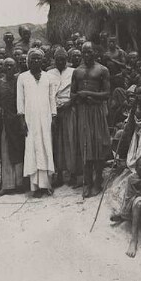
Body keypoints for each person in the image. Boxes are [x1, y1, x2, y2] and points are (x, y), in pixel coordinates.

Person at [71, 42, 111, 198]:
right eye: (84, 52)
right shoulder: (77, 71)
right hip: (83, 112)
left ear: (95, 52)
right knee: (85, 145)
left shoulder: (102, 70)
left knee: (98, 144)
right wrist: (80, 98)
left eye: (89, 52)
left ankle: (98, 181)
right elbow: (72, 94)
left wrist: (88, 93)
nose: (86, 55)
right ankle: (87, 183)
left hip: (97, 111)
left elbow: (107, 93)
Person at [17, 48, 57, 197]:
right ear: (28, 61)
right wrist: (21, 119)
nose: (35, 61)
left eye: (38, 59)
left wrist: (54, 117)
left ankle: (46, 184)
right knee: (33, 148)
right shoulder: (22, 78)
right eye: (32, 59)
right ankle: (35, 187)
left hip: (45, 119)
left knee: (46, 147)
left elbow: (52, 98)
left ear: (43, 61)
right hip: (30, 119)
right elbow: (20, 100)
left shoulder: (48, 77)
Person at [0, 58, 26, 197]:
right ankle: (7, 185)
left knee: (19, 150)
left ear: (15, 67)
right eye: (6, 66)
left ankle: (20, 184)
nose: (8, 68)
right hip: (5, 121)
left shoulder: (20, 80)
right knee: (6, 151)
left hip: (18, 120)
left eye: (11, 66)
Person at [48, 48, 80, 187]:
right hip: (54, 110)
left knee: (71, 139)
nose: (60, 62)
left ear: (67, 60)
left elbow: (76, 91)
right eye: (58, 59)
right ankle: (59, 174)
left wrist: (69, 103)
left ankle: (73, 173)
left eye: (63, 59)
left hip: (69, 109)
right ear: (54, 60)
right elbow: (48, 93)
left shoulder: (73, 72)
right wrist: (53, 107)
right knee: (56, 142)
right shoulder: (49, 74)